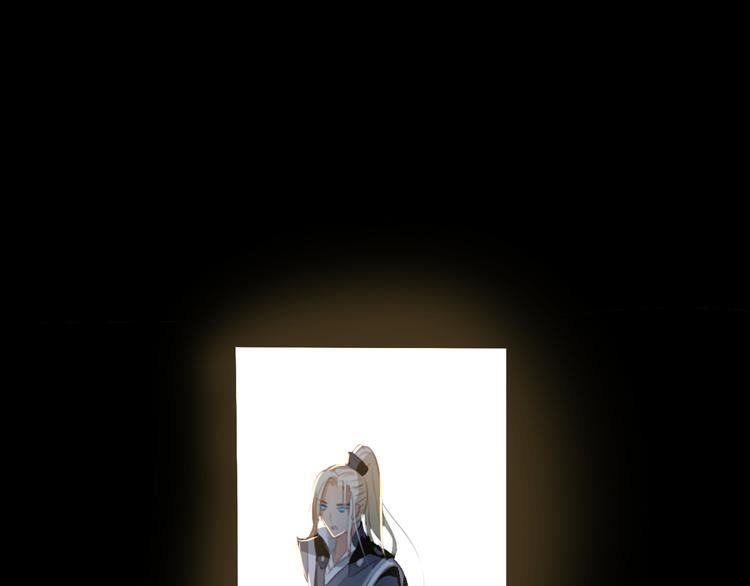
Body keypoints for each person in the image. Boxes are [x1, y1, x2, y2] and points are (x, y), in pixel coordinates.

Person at [297, 445, 409, 586]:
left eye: (341, 509)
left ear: (357, 509)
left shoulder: (382, 569)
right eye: (323, 506)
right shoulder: (315, 554)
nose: (329, 516)